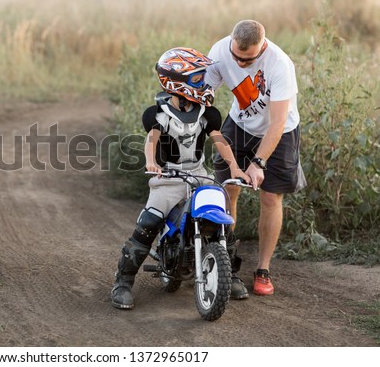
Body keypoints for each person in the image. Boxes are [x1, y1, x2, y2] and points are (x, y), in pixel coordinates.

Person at [111, 47, 251, 310]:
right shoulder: (158, 113)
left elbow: (219, 140)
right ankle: (123, 281)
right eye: (198, 78)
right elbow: (151, 139)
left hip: (199, 175)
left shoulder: (207, 113)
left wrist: (234, 167)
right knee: (150, 221)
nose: (204, 82)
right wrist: (151, 162)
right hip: (168, 177)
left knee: (223, 218)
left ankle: (229, 274)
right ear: (177, 82)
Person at [205, 20, 307, 296]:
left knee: (270, 197)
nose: (239, 63)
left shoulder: (280, 65)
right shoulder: (219, 50)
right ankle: (225, 260)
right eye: (236, 56)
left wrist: (258, 162)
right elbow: (207, 97)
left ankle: (263, 269)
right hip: (238, 125)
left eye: (247, 59)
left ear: (262, 47)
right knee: (228, 188)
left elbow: (276, 123)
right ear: (232, 42)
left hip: (280, 131)